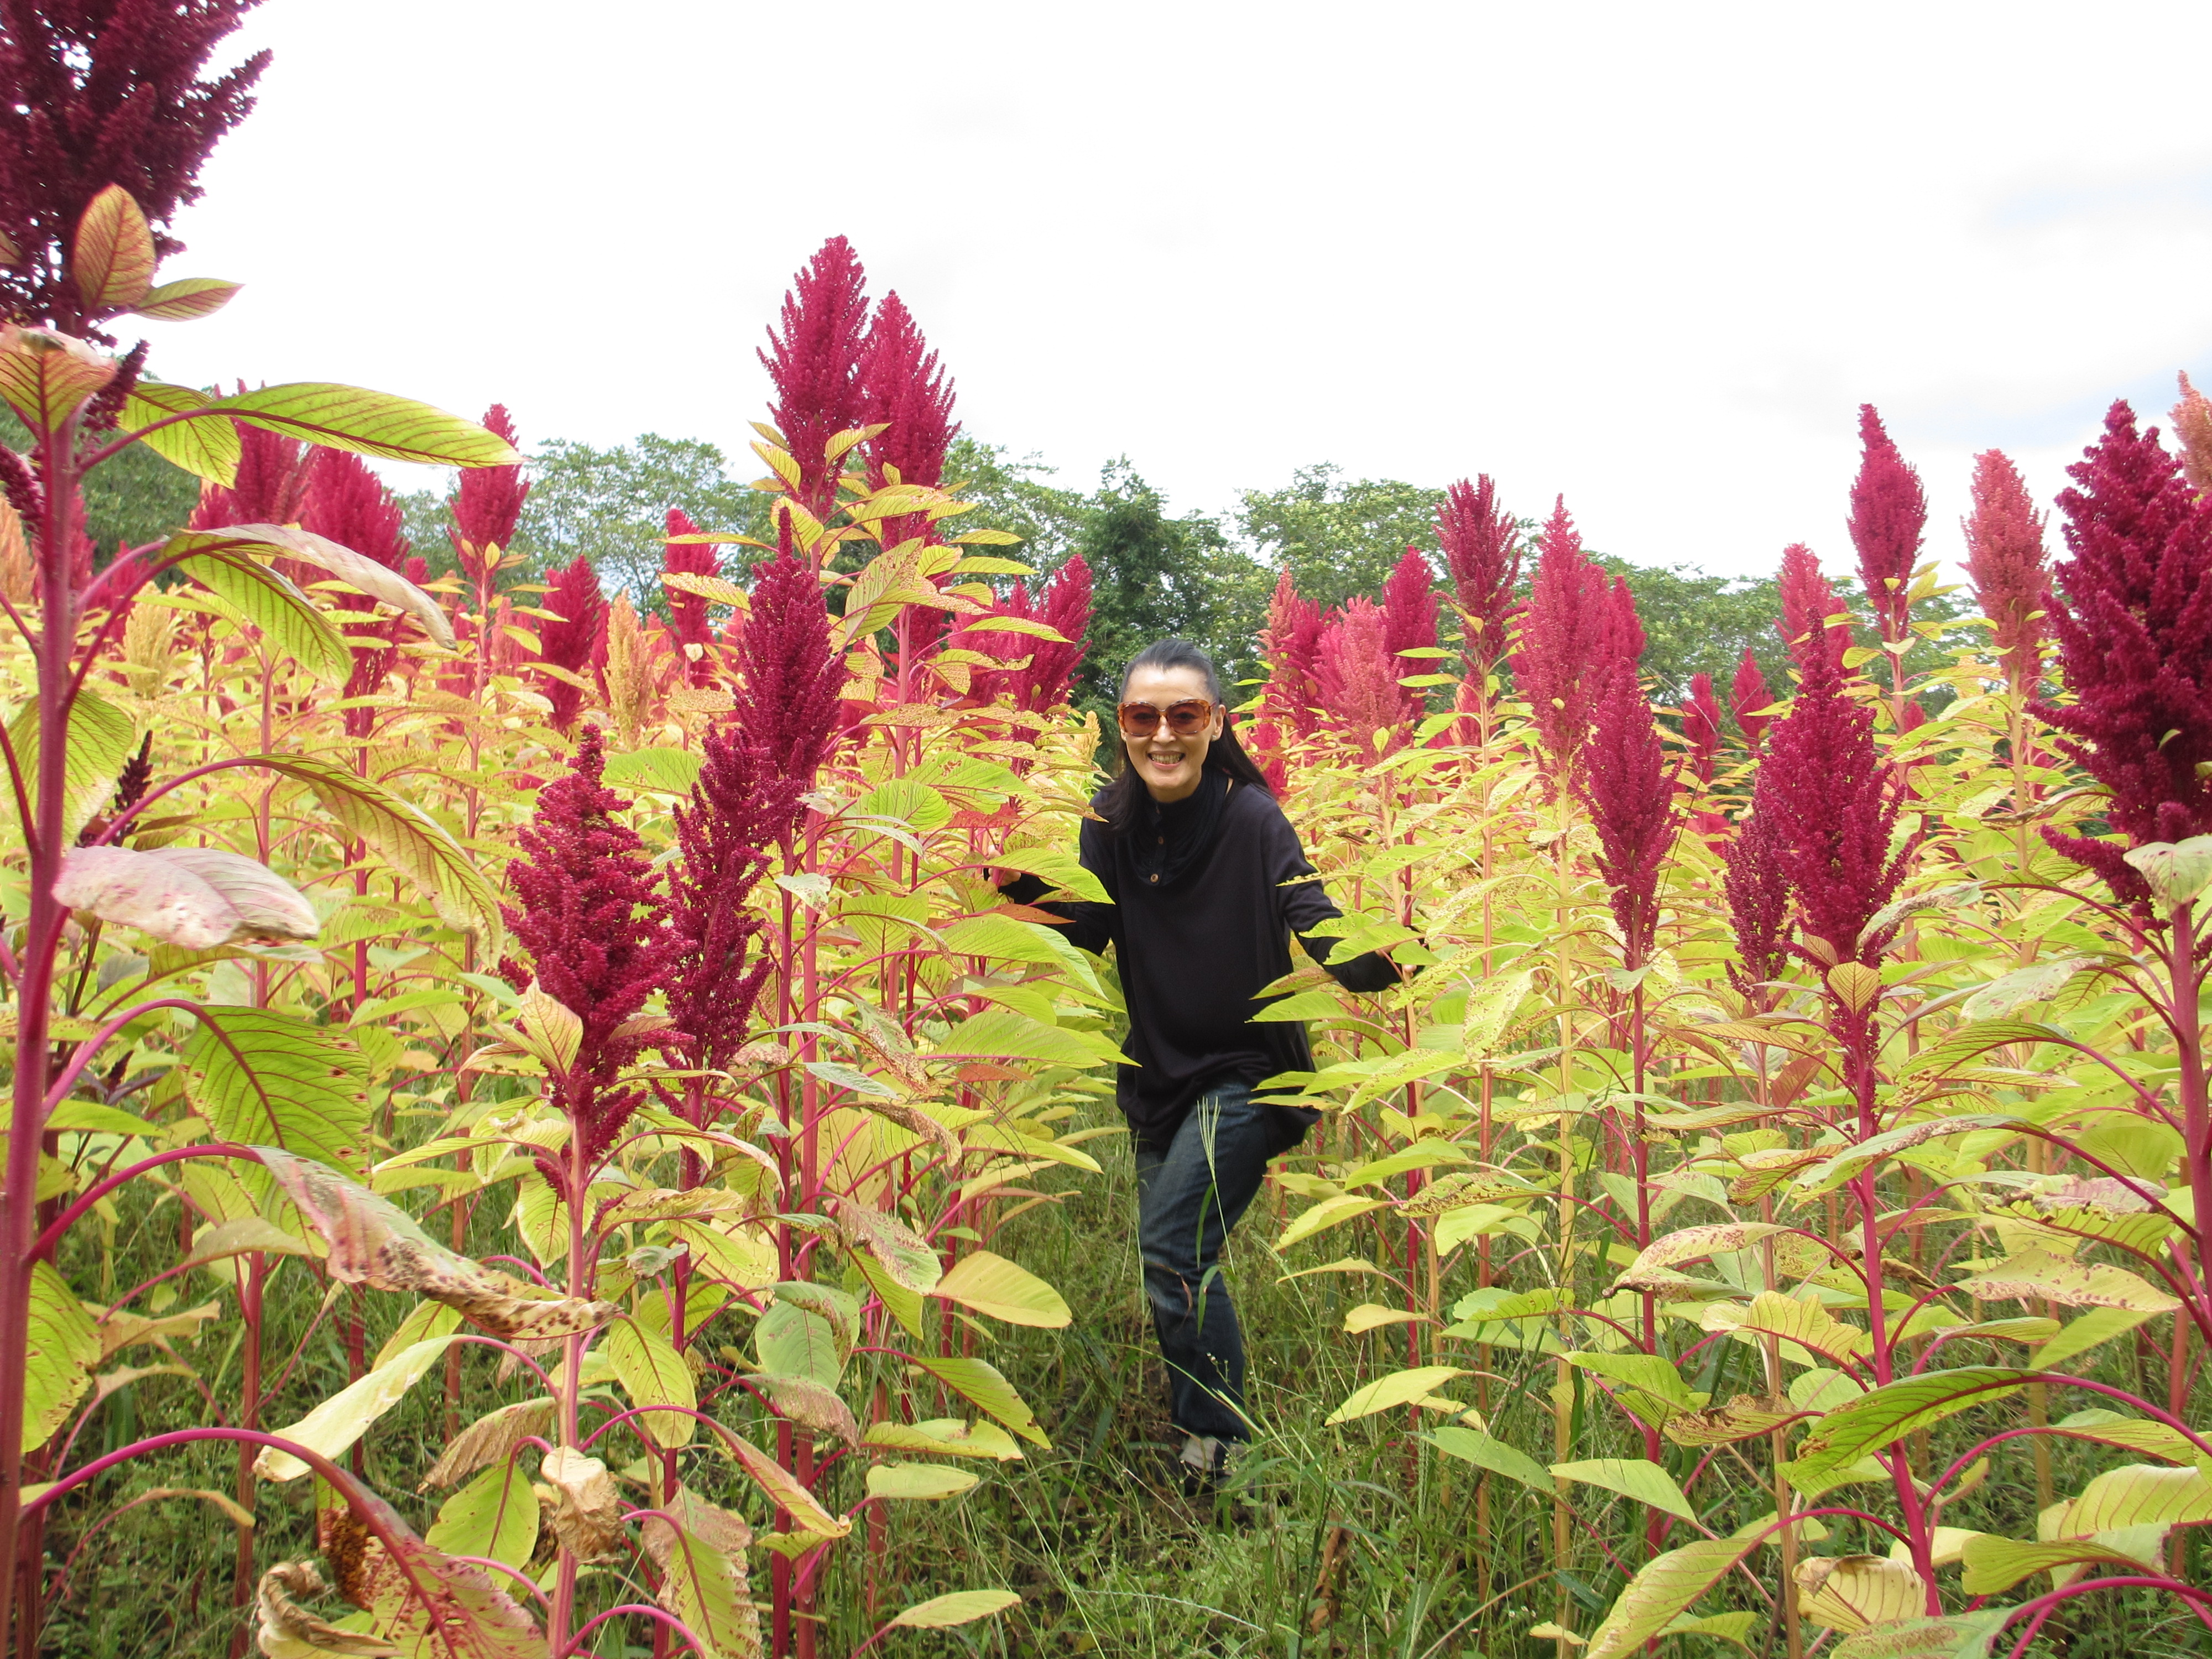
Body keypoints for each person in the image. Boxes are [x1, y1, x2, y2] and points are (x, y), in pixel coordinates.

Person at [999, 639, 1407, 1492]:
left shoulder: (1252, 817)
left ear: (1215, 722)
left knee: (1171, 1249)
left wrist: (1391, 957)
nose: (1163, 735)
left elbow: (1313, 915)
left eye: (1184, 716)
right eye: (1143, 717)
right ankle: (1204, 1420)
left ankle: (1220, 1446)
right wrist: (1010, 893)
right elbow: (1089, 929)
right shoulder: (1109, 824)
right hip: (1158, 1079)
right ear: (1123, 727)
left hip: (1248, 1075)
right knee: (1180, 1260)